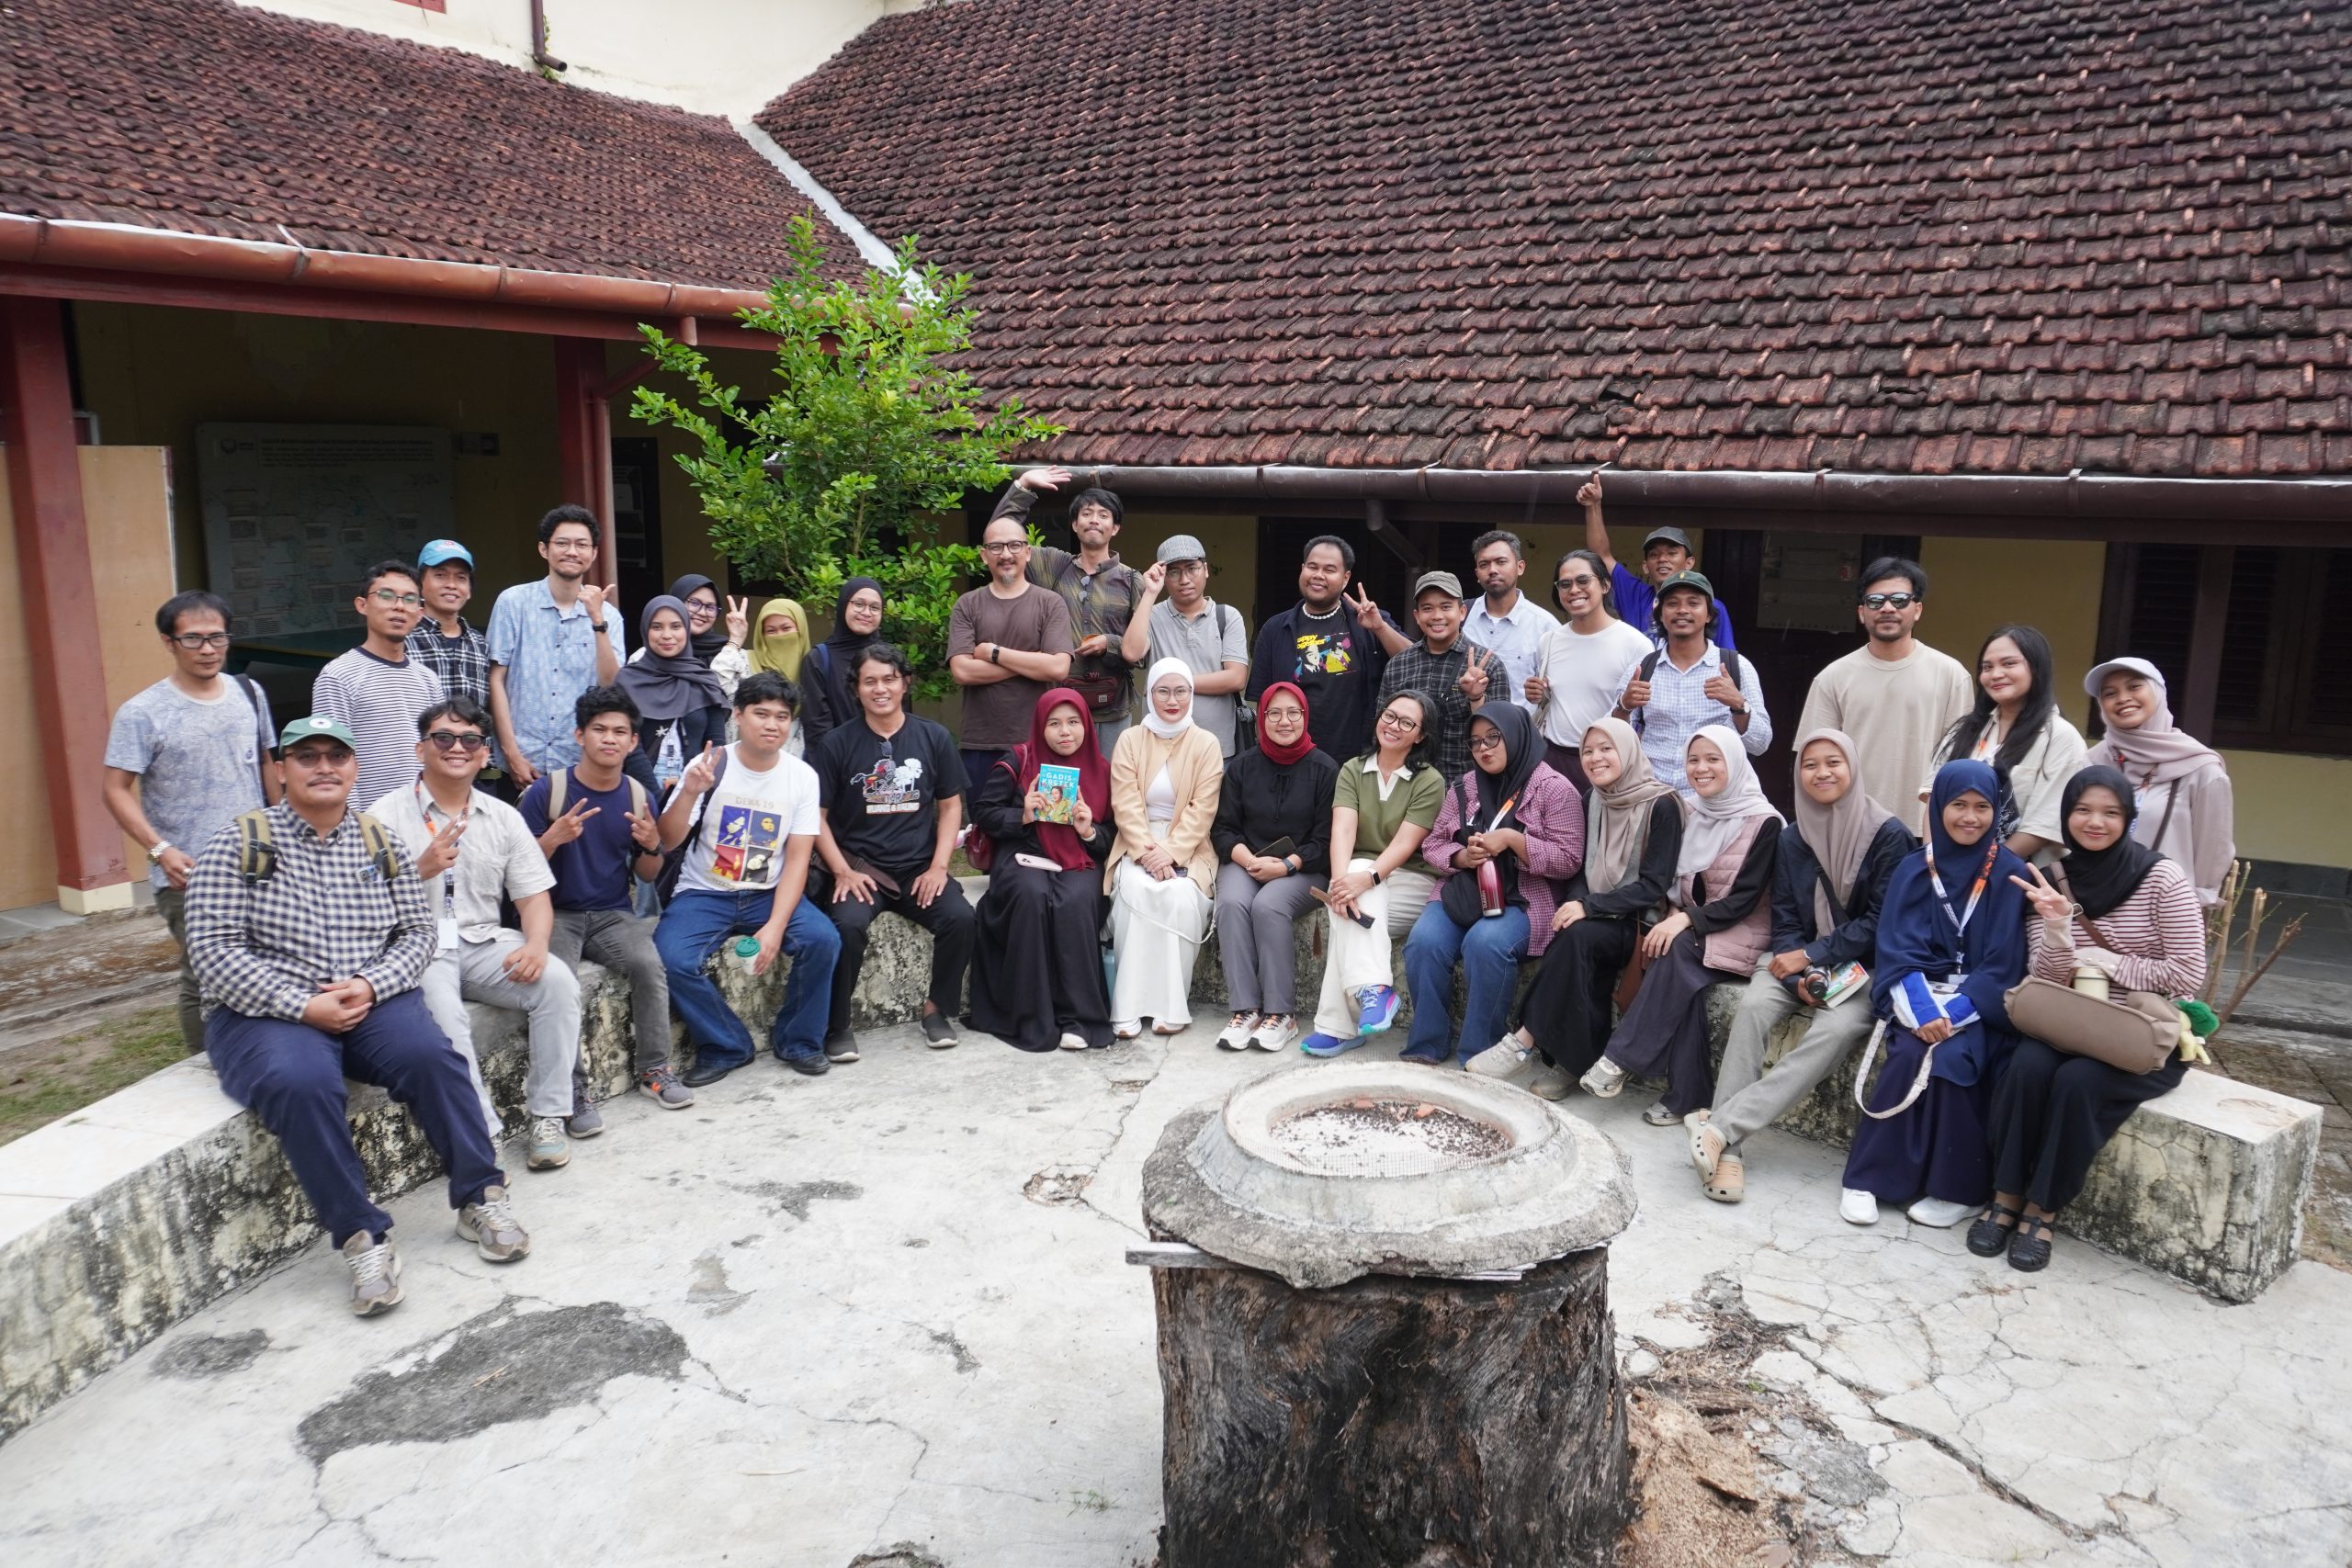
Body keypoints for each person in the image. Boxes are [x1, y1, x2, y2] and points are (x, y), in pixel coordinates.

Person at [185, 715, 527, 1317]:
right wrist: (301, 1004)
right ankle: (361, 1235)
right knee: (302, 1083)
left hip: (370, 994)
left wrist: (372, 984)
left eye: (336, 756)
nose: (323, 767)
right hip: (267, 1010)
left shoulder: (378, 840)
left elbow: (417, 931)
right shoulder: (237, 843)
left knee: (432, 1057)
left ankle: (481, 1194)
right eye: (307, 756)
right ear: (281, 770)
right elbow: (212, 951)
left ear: (354, 766)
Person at [1978, 766, 2209, 1270]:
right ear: (2066, 816)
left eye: (2110, 812)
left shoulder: (2162, 878)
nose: (2095, 822)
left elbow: (2188, 971)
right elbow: (2045, 975)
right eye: (2082, 810)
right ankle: (2006, 1194)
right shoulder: (2051, 878)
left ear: (2128, 819)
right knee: (2026, 1068)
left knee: (2078, 1082)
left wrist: (2108, 963)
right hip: (2071, 1022)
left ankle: (2043, 1209)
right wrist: (2059, 928)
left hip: (2140, 1031)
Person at [1689, 730, 1914, 1201]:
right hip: (1796, 958)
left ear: (1853, 768)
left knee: (1834, 1032)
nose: (1822, 773)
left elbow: (1881, 922)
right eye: (1810, 765)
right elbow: (1786, 916)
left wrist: (1814, 957)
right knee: (1753, 1007)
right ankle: (1729, 1152)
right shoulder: (1793, 837)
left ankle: (1723, 1130)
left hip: (1862, 968)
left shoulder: (1888, 835)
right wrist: (1797, 975)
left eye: (1834, 762)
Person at [368, 698, 582, 1175]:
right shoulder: (382, 816)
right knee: (447, 1019)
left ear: (485, 754)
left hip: (484, 941)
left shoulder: (503, 816)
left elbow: (533, 896)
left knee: (558, 983)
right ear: (420, 748)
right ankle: (481, 1134)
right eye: (443, 737)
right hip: (416, 945)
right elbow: (358, 900)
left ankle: (549, 1117)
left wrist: (536, 945)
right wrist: (419, 869)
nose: (457, 748)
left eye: (470, 740)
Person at [1840, 759, 2030, 1228]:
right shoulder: (1913, 869)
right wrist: (1925, 1012)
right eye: (1959, 805)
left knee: (1954, 1061)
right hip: (1917, 999)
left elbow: (2005, 963)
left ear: (1997, 811)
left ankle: (1957, 1190)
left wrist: (1954, 1015)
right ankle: (1868, 1178)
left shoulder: (2011, 874)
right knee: (1908, 1053)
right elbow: (1898, 949)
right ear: (1939, 806)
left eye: (1982, 807)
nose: (1970, 817)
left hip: (1979, 1009)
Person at [104, 590, 279, 1053]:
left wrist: (285, 830)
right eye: (193, 639)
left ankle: (262, 1053)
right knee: (205, 976)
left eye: (217, 637)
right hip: (189, 870)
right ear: (169, 642)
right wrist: (159, 850)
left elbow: (266, 763)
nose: (207, 649)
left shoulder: (248, 693)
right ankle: (204, 1064)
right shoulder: (142, 713)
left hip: (258, 861)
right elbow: (114, 789)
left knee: (269, 962)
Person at [1578, 726, 1782, 1121]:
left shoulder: (1764, 821)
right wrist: (1675, 911)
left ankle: (1619, 1059)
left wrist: (1686, 919)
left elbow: (1744, 900)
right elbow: (1674, 878)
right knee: (1680, 973)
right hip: (1693, 928)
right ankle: (1688, 1096)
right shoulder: (1690, 810)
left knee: (1677, 952)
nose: (1701, 768)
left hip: (1743, 930)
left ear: (1735, 763)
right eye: (1693, 760)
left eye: (1713, 759)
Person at [1472, 718, 1682, 1098]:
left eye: (1606, 748)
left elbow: (1654, 886)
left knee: (1579, 936)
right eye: (1587, 751)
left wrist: (1588, 905)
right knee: (1575, 935)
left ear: (1628, 750)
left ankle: (1522, 1041)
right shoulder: (1593, 800)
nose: (1595, 758)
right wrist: (1575, 902)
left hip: (1640, 921)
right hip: (1599, 913)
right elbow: (1580, 868)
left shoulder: (1662, 805)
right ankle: (1573, 1062)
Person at [654, 671, 841, 1082]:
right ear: (737, 716)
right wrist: (690, 792)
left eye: (782, 716)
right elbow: (667, 840)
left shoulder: (802, 776)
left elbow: (798, 859)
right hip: (704, 892)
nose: (772, 725)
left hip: (768, 892)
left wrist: (775, 926)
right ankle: (726, 1046)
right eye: (761, 714)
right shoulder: (709, 764)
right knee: (670, 959)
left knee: (823, 941)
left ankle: (800, 1041)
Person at [517, 685, 694, 1114]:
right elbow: (515, 870)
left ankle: (655, 1069)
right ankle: (572, 1090)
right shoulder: (546, 792)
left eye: (620, 732)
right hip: (553, 911)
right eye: (599, 730)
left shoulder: (637, 795)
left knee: (649, 966)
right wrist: (552, 839)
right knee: (556, 984)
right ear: (580, 735)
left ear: (633, 742)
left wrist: (652, 846)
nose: (609, 739)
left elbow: (647, 873)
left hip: (613, 912)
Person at [811, 642, 974, 1058]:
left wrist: (939, 867)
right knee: (846, 927)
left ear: (905, 683)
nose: (880, 689)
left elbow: (950, 805)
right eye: (870, 681)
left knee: (961, 918)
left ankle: (936, 1010)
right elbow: (816, 816)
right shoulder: (836, 744)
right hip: (861, 871)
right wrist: (842, 871)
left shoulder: (933, 737)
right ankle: (837, 1024)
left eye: (889, 679)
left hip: (918, 868)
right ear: (856, 688)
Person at [1399, 705, 1585, 1066]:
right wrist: (1461, 857)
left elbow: (1569, 860)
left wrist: (1515, 842)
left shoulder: (1555, 789)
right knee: (1423, 942)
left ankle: (1479, 1053)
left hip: (1523, 900)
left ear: (1516, 735)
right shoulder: (1464, 786)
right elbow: (1433, 844)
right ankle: (1426, 1044)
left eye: (1493, 738)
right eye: (1475, 742)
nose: (1483, 749)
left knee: (1485, 944)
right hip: (1465, 893)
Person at [967, 688, 1118, 1052]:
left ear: (1087, 725)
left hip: (1078, 857)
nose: (1065, 732)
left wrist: (1089, 830)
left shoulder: (1103, 770)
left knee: (1076, 901)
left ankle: (1079, 1019)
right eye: (1054, 724)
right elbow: (984, 813)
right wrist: (1022, 816)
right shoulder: (1018, 760)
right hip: (1023, 853)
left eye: (1073, 722)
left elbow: (1113, 834)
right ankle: (1030, 1017)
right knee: (1031, 895)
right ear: (1039, 726)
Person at [1300, 690, 1447, 1055]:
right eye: (1389, 716)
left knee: (1351, 908)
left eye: (1407, 723)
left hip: (1410, 878)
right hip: (1357, 878)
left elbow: (1405, 844)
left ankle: (1339, 1027)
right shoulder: (1353, 769)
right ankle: (1375, 991)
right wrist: (1340, 885)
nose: (1393, 726)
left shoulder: (1429, 780)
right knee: (1350, 906)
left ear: (1421, 735)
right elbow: (1343, 830)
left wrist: (1364, 879)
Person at [1797, 559, 1973, 837]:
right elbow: (1813, 760)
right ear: (1861, 612)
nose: (1888, 608)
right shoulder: (1833, 677)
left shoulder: (1951, 675)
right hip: (1852, 827)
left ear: (1917, 610)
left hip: (1927, 827)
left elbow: (1960, 759)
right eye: (1876, 601)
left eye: (1900, 600)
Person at [1210, 682, 1339, 1052]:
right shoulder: (1242, 767)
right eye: (1275, 713)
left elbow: (1326, 840)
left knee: (1269, 905)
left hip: (1304, 867)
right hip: (1247, 861)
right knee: (1231, 903)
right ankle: (1245, 1010)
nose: (1285, 721)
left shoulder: (1325, 769)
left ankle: (1281, 1014)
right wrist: (1250, 861)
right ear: (1261, 718)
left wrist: (1286, 866)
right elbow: (1223, 829)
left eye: (1293, 713)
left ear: (1305, 716)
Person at [1105, 660, 1225, 1036]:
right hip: (1135, 842)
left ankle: (1170, 1007)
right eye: (1163, 691)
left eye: (1181, 691)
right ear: (1149, 694)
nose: (1172, 700)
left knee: (1178, 897)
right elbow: (1125, 803)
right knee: (1136, 892)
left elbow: (1203, 809)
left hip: (1189, 846)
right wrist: (1146, 853)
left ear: (1191, 694)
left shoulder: (1206, 743)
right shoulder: (1130, 740)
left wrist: (1170, 852)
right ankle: (1128, 1007)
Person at [994, 468, 1143, 750]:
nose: (1094, 520)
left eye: (1103, 515)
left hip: (1112, 709)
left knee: (1110, 777)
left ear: (1115, 528)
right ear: (1074, 524)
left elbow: (1144, 651)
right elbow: (1001, 536)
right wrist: (1023, 485)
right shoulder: (1053, 566)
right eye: (1086, 513)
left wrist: (1110, 644)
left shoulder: (1132, 580)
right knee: (1060, 779)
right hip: (1059, 707)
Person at [487, 505, 626, 789]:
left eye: (581, 545)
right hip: (519, 762)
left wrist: (597, 620)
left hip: (579, 764)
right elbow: (496, 679)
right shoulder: (513, 603)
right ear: (543, 549)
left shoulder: (609, 617)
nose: (572, 551)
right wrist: (512, 754)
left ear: (593, 553)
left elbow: (610, 685)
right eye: (562, 543)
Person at [1926, 626, 2086, 864]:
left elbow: (2041, 826)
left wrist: (1980, 871)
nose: (1996, 674)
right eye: (1987, 667)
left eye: (2009, 664)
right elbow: (1933, 800)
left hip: (2019, 875)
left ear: (2036, 668)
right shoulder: (1964, 730)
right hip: (1949, 870)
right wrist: (1933, 863)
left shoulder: (2062, 738)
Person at [2083, 657, 2235, 906]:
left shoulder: (2201, 768)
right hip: (2096, 902)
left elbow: (2213, 848)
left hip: (2166, 907)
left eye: (2134, 687)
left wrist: (2194, 904)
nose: (2122, 698)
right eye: (2110, 693)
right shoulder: (2092, 763)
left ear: (2158, 692)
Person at [1613, 570, 1771, 792]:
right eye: (1672, 604)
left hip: (1714, 800)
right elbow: (1612, 740)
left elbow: (1760, 743)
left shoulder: (1736, 667)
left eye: (1693, 603)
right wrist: (1624, 705)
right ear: (1660, 615)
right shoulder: (1642, 668)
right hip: (1653, 796)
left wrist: (1739, 705)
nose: (1682, 610)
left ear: (1709, 615)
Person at [948, 512, 1076, 784]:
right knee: (984, 812)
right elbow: (962, 671)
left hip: (1041, 740)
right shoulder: (967, 605)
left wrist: (994, 653)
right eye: (996, 547)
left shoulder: (1050, 603)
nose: (1006, 554)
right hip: (981, 743)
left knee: (1043, 813)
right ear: (984, 555)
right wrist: (1034, 662)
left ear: (1028, 552)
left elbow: (1058, 668)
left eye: (1014, 545)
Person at [1248, 535, 1393, 764]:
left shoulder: (1369, 622)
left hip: (1356, 763)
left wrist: (1380, 628)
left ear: (1345, 578)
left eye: (1329, 569)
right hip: (1292, 763)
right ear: (1302, 569)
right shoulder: (1275, 629)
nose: (1318, 575)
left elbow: (1413, 659)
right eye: (1312, 567)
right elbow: (1262, 701)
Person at [312, 560, 445, 808]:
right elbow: (330, 761)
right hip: (370, 822)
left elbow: (438, 754)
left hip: (424, 818)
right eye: (386, 596)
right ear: (362, 605)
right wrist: (354, 825)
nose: (399, 606)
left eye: (410, 599)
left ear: (420, 613)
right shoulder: (338, 675)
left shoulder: (428, 680)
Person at [1527, 548, 1650, 791]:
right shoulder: (1549, 641)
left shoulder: (1635, 644)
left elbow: (1645, 715)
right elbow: (1553, 699)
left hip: (1609, 763)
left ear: (1605, 585)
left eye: (1583, 580)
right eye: (1565, 584)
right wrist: (1538, 693)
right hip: (1555, 760)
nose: (1574, 590)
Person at [1120, 535, 1251, 758]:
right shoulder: (1151, 614)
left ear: (1205, 570)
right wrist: (1149, 593)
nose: (1184, 579)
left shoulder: (1227, 616)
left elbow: (1236, 678)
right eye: (1174, 572)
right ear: (1164, 577)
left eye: (1192, 569)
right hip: (1161, 748)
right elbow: (1131, 653)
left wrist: (1170, 686)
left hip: (1217, 749)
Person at [1578, 473, 1736, 649]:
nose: (1662, 559)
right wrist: (1593, 505)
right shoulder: (1635, 596)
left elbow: (1726, 657)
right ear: (1646, 566)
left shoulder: (1710, 606)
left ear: (1689, 563)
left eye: (1672, 553)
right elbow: (1601, 555)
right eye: (1654, 555)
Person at [405, 539, 508, 791]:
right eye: (440, 575)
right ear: (420, 584)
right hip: (422, 775)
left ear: (469, 589)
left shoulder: (480, 644)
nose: (451, 584)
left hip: (478, 774)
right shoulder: (404, 640)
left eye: (460, 578)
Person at [1374, 570, 1498, 781]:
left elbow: (1499, 739)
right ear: (1416, 616)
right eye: (1427, 608)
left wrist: (1476, 698)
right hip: (1406, 785)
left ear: (1462, 612)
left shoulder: (1488, 665)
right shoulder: (1398, 664)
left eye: (1446, 607)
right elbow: (1381, 730)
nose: (1437, 616)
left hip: (1466, 786)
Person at [615, 595, 731, 799]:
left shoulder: (704, 680)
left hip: (695, 797)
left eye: (676, 626)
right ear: (645, 630)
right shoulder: (627, 680)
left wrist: (691, 794)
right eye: (657, 627)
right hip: (639, 798)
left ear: (686, 629)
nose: (667, 635)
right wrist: (657, 799)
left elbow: (716, 746)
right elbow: (630, 748)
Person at [1464, 530, 1556, 715]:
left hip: (1521, 728)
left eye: (1501, 562)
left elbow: (1560, 688)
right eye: (1484, 564)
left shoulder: (1545, 626)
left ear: (1520, 567)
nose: (1492, 570)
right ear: (1477, 574)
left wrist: (1542, 693)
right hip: (1465, 726)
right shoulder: (1462, 615)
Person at [801, 577, 886, 750]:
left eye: (875, 607)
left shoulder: (890, 658)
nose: (867, 613)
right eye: (859, 604)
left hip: (885, 759)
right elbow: (817, 728)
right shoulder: (819, 659)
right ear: (843, 605)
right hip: (837, 759)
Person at [665, 573, 755, 698]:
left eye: (710, 607)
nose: (702, 613)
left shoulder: (734, 652)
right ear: (676, 603)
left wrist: (735, 640)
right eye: (694, 603)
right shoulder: (654, 654)